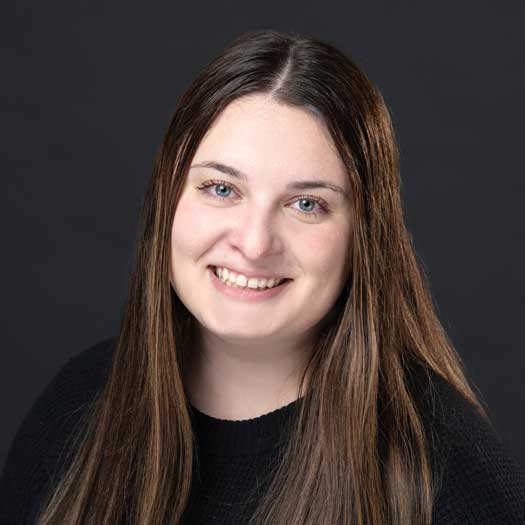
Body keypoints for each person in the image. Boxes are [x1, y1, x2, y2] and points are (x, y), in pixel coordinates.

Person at [1, 29, 524, 525]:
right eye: (221, 189)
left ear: (365, 236)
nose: (253, 243)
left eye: (306, 204)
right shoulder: (78, 407)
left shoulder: (448, 471)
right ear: (168, 199)